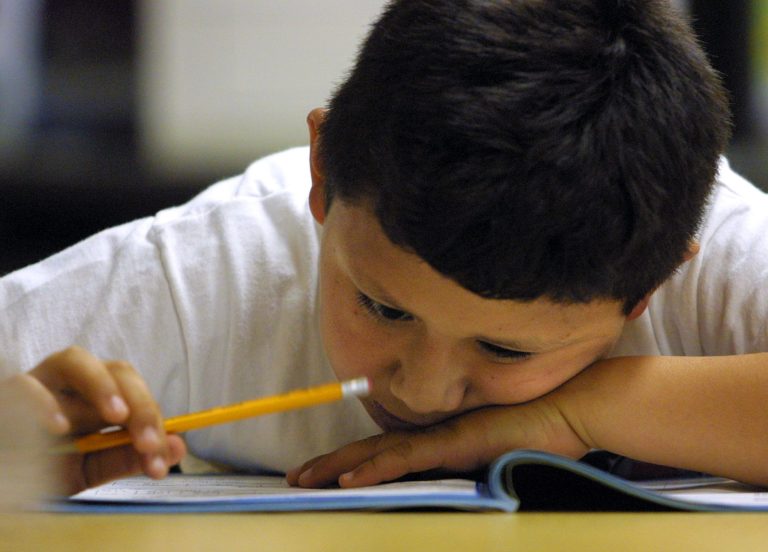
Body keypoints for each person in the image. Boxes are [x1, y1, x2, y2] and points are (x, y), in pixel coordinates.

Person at [2, 0, 767, 496]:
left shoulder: (710, 246)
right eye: (379, 305)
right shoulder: (212, 272)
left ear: (658, 282)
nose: (424, 392)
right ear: (323, 173)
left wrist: (586, 412)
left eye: (504, 350)